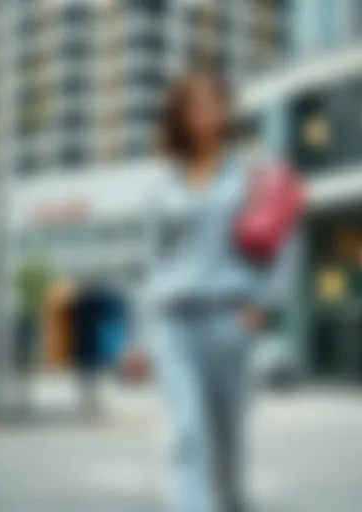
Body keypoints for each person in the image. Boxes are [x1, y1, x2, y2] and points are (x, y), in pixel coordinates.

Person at [142, 70, 297, 512]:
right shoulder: (162, 182)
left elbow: (288, 242)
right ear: (180, 116)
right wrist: (140, 336)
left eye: (213, 101)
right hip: (174, 322)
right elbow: (152, 264)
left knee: (229, 444)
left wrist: (263, 302)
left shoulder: (254, 170)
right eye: (193, 104)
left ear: (226, 110)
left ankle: (233, 502)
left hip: (230, 319)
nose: (205, 112)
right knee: (186, 432)